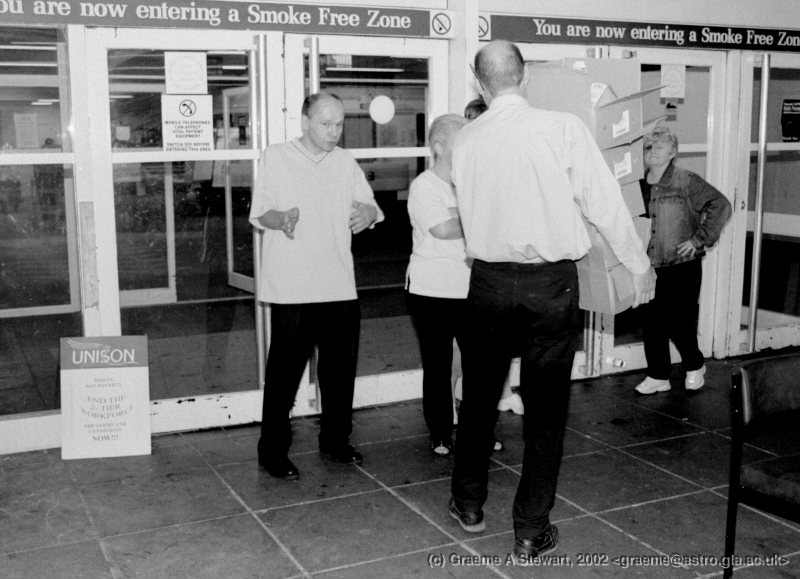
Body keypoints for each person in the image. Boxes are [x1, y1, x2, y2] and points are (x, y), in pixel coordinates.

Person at [447, 41, 656, 561]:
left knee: (479, 399)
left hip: (488, 283)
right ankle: (529, 530)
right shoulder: (563, 128)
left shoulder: (466, 140)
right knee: (545, 411)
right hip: (550, 286)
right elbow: (605, 204)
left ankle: (468, 505)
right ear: (526, 78)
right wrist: (637, 263)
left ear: (480, 84)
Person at [249, 92, 383, 480]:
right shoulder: (276, 157)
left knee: (339, 372)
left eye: (339, 124)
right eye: (326, 124)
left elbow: (371, 206)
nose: (334, 131)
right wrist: (282, 219)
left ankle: (336, 440)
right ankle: (272, 451)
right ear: (305, 122)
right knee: (284, 375)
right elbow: (260, 213)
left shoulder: (345, 162)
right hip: (293, 286)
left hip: (339, 284)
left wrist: (368, 213)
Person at [634, 125, 732, 395]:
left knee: (679, 322)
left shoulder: (685, 180)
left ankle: (695, 365)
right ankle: (658, 375)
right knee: (652, 322)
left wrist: (700, 240)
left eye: (660, 146)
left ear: (673, 152)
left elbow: (721, 205)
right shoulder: (637, 184)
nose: (653, 151)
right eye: (648, 146)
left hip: (681, 264)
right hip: (648, 265)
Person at [462, 95, 525, 419]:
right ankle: (491, 394)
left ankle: (503, 391)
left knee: (497, 336)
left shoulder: (497, 159)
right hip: (477, 264)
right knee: (481, 339)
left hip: (495, 263)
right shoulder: (471, 157)